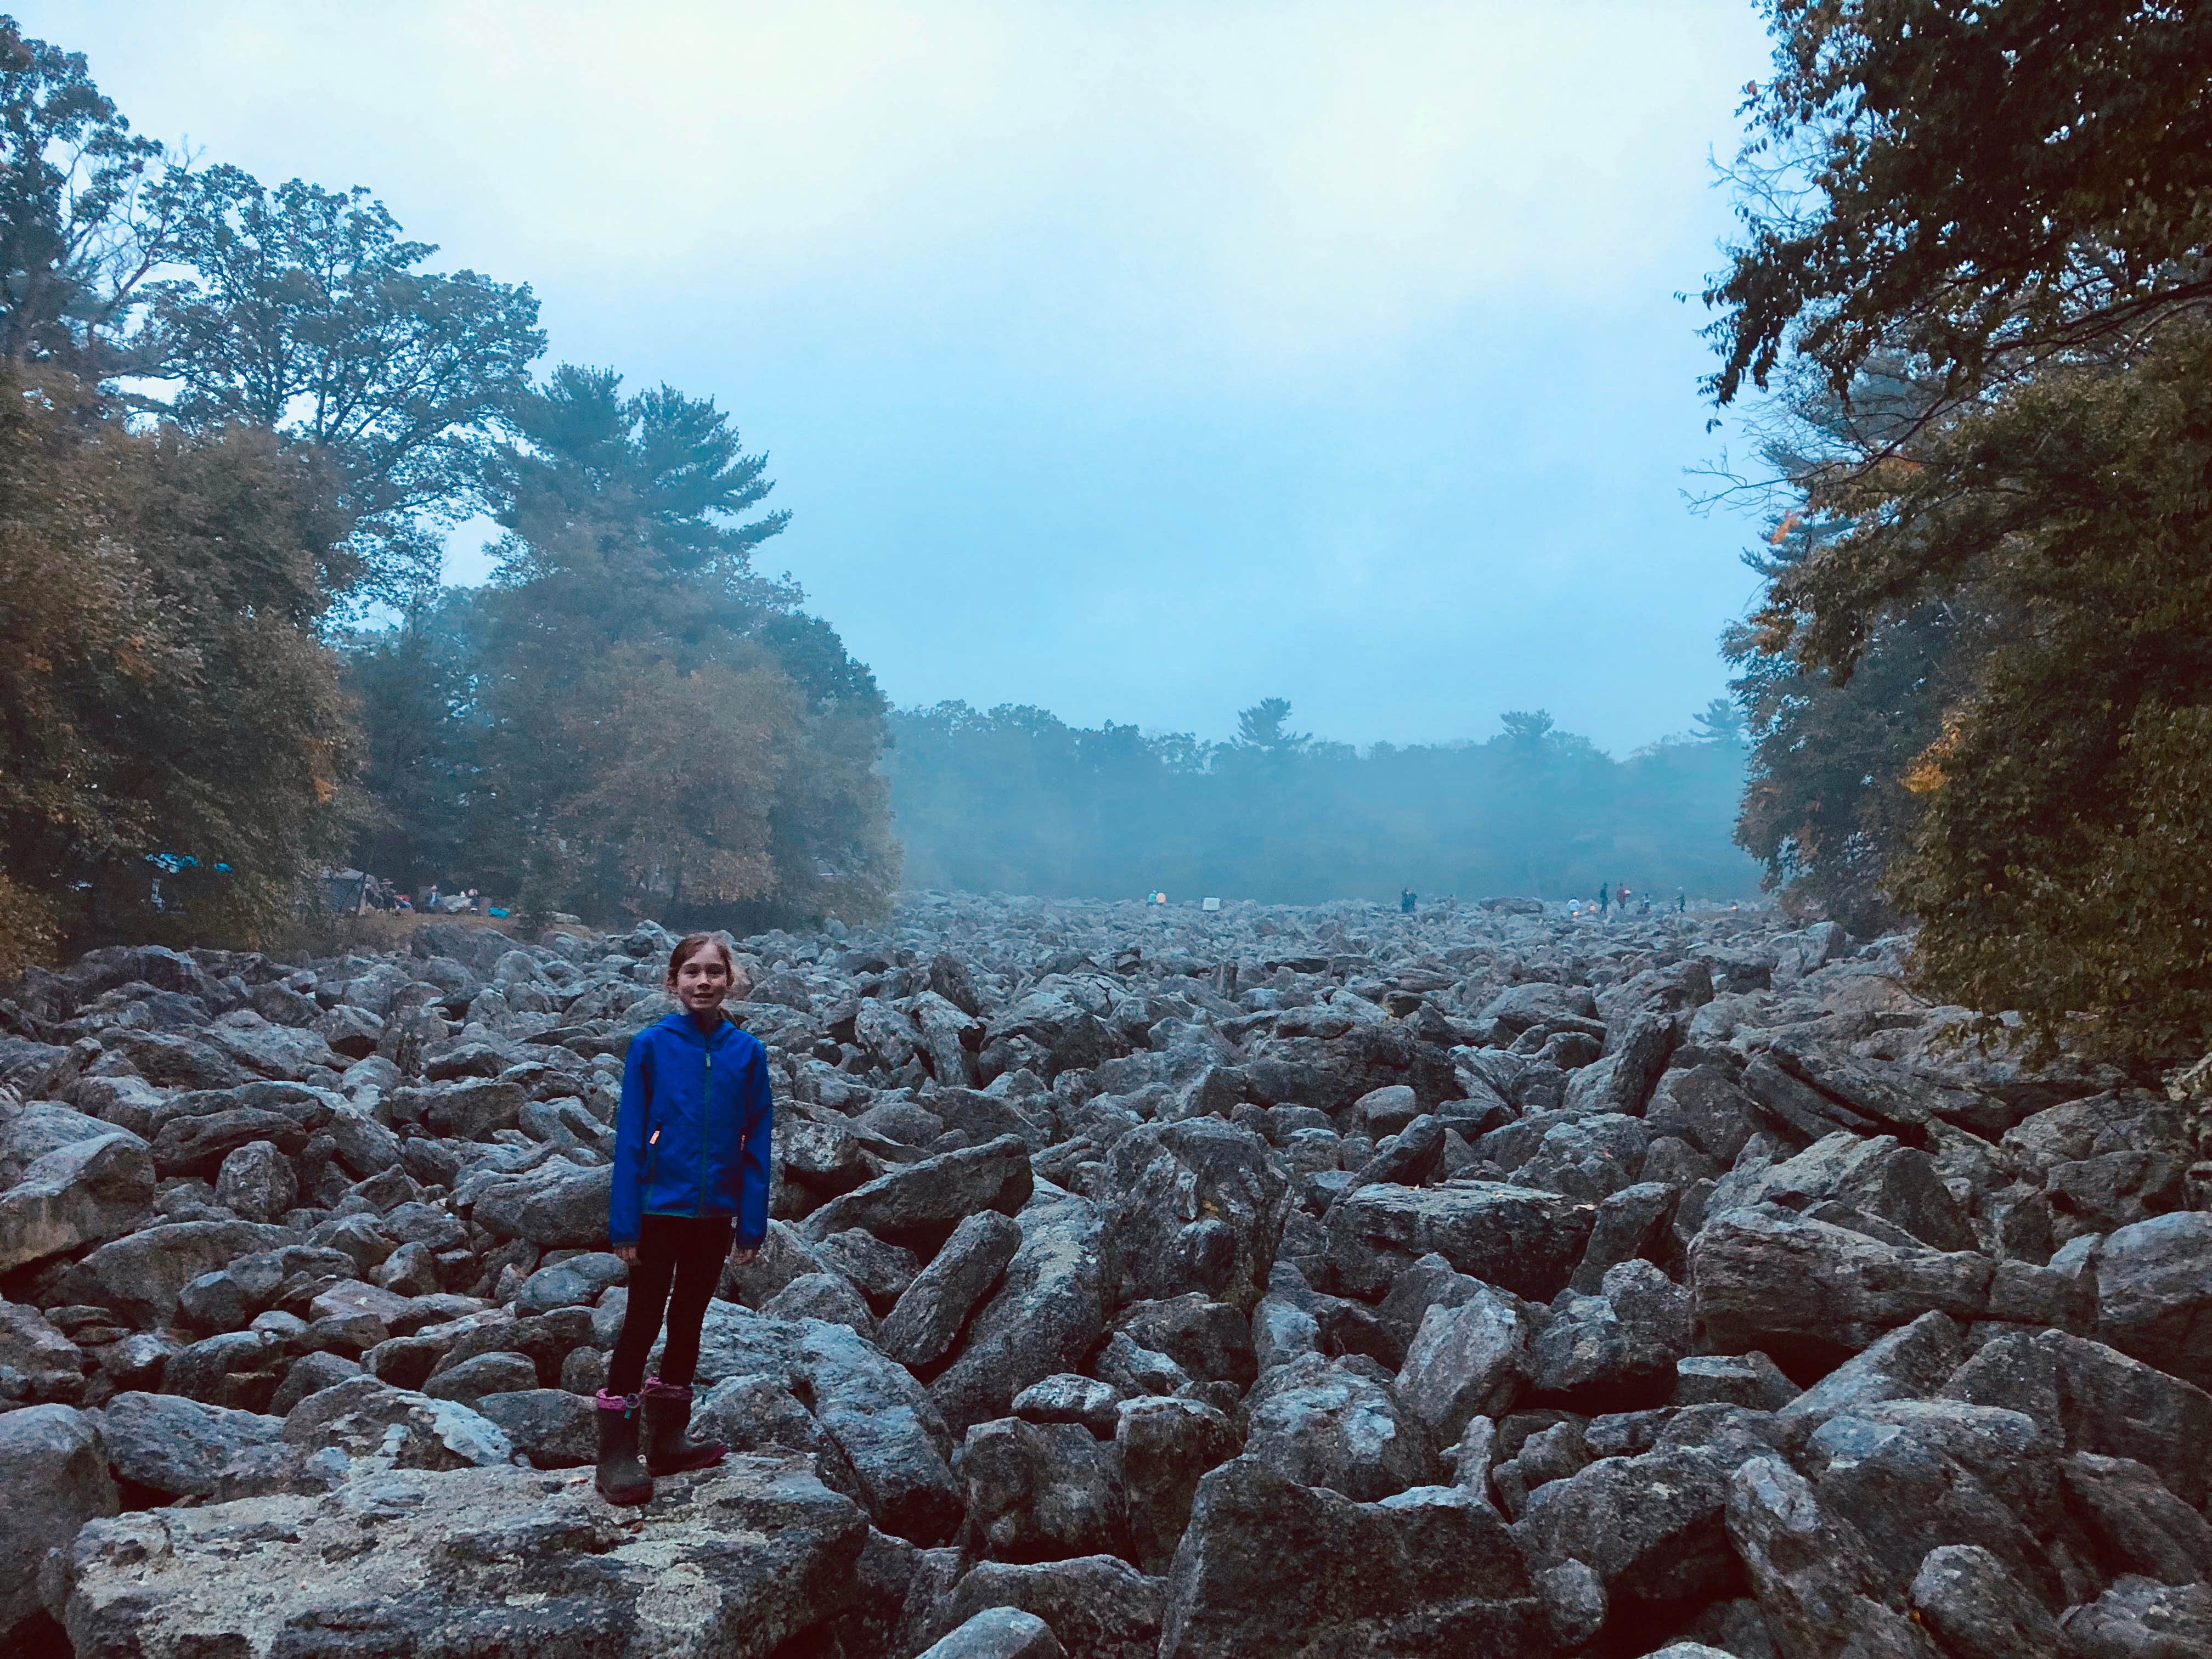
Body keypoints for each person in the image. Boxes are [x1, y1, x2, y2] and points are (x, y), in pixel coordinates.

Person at [596, 932, 774, 1506]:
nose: (703, 982)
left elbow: (758, 1142)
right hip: (656, 1210)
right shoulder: (650, 1046)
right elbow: (628, 1140)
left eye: (714, 973)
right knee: (642, 1321)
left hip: (714, 1213)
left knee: (690, 1320)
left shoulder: (747, 1052)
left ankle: (668, 1440)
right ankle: (617, 1452)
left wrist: (751, 1222)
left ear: (731, 981)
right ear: (672, 981)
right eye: (691, 972)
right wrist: (624, 1222)